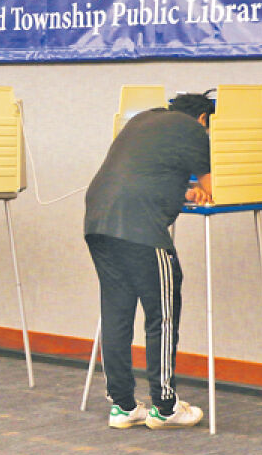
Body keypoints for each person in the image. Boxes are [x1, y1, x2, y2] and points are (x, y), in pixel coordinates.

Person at [83, 92, 214, 430]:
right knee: (163, 315)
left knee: (117, 313)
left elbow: (145, 174)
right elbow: (218, 186)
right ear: (203, 118)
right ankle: (166, 407)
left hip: (97, 222)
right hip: (140, 230)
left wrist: (183, 193)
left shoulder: (141, 120)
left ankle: (123, 406)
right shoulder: (194, 129)